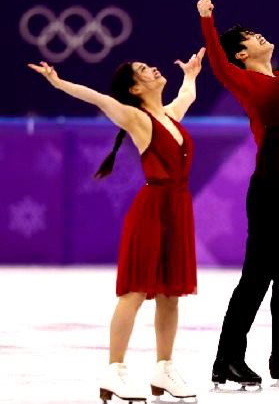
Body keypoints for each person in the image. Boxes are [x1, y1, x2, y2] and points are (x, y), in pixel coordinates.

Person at [29, 48, 205, 401]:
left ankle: (164, 367)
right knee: (135, 292)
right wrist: (58, 81)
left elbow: (187, 95)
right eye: (144, 69)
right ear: (136, 89)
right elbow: (97, 98)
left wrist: (191, 74)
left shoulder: (170, 115)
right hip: (152, 210)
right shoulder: (137, 119)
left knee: (171, 295)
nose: (153, 67)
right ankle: (115, 370)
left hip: (178, 211)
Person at [197, 0, 279, 389]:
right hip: (269, 192)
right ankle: (226, 360)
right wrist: (207, 19)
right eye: (249, 37)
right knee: (256, 279)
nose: (258, 36)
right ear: (240, 54)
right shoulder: (244, 80)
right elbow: (216, 62)